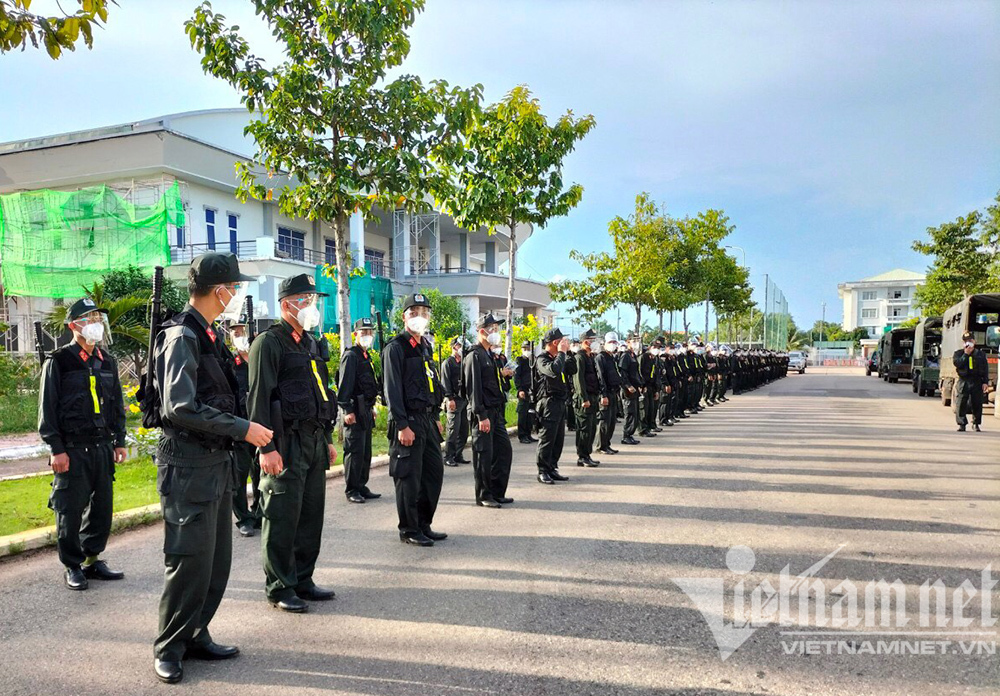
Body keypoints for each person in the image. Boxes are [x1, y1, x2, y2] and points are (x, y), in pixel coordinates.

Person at [151, 252, 273, 684]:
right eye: (234, 288)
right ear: (218, 290)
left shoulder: (207, 334)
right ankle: (169, 645)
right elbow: (179, 406)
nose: (236, 295)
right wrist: (243, 429)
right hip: (188, 464)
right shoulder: (182, 336)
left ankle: (196, 632)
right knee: (188, 560)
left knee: (215, 560)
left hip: (215, 461)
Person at [247, 273, 339, 614]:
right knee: (282, 516)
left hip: (313, 440)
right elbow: (259, 398)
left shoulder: (310, 342)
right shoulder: (269, 342)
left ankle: (303, 579)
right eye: (305, 300)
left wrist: (327, 438)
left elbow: (320, 392)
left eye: (314, 300)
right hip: (284, 443)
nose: (312, 307)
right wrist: (266, 448)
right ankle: (279, 586)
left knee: (310, 515)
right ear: (287, 305)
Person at [38, 297, 128, 591]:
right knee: (69, 509)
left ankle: (92, 560)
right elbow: (48, 410)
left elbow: (116, 404)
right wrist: (56, 449)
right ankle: (72, 565)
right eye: (88, 319)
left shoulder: (107, 361)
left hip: (101, 446)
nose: (95, 325)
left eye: (98, 319)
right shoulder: (60, 361)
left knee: (102, 509)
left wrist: (119, 440)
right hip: (72, 449)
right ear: (73, 325)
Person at [383, 293, 447, 546]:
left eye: (424, 312)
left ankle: (423, 524)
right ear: (404, 316)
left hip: (427, 420)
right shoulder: (395, 348)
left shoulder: (425, 347)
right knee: (408, 478)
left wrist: (435, 415)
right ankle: (409, 529)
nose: (419, 316)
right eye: (414, 312)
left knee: (433, 474)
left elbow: (429, 384)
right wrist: (402, 425)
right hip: (407, 422)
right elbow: (392, 390)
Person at [464, 313, 514, 507]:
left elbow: (494, 384)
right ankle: (484, 495)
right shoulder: (474, 355)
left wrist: (505, 376)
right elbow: (473, 389)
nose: (495, 331)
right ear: (481, 330)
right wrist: (481, 415)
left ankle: (496, 491)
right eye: (491, 328)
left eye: (496, 327)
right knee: (483, 455)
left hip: (496, 412)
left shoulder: (490, 355)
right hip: (482, 414)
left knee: (503, 451)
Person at [338, 318, 381, 503]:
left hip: (365, 409)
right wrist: (347, 410)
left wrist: (371, 407)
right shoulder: (351, 356)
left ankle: (361, 485)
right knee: (354, 452)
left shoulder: (366, 356)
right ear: (355, 334)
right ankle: (352, 489)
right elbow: (344, 386)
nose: (367, 336)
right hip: (354, 410)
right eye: (364, 333)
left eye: (370, 333)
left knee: (365, 452)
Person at [227, 319, 260, 537]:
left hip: (259, 424)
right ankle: (243, 518)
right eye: (235, 332)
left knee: (260, 473)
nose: (239, 334)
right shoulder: (229, 362)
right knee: (238, 477)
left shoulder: (257, 359)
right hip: (238, 427)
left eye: (242, 331)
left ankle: (258, 513)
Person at [534, 328, 576, 484]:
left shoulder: (560, 357)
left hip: (560, 402)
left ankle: (552, 467)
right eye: (562, 342)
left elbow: (573, 369)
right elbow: (554, 371)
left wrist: (568, 353)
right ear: (555, 343)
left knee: (558, 439)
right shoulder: (542, 359)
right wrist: (562, 353)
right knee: (547, 439)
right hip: (548, 403)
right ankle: (543, 470)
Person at [572, 329, 602, 467]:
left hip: (593, 396)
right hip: (584, 399)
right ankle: (582, 456)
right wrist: (584, 398)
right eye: (592, 339)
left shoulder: (590, 356)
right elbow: (579, 380)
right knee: (584, 429)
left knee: (591, 428)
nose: (595, 342)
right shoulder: (580, 357)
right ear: (585, 341)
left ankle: (587, 454)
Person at [441, 337, 470, 466]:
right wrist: (449, 398)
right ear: (454, 347)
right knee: (453, 430)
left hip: (464, 400)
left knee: (464, 430)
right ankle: (448, 456)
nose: (462, 348)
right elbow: (445, 382)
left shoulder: (463, 362)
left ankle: (458, 454)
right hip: (454, 400)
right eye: (459, 346)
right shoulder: (448, 363)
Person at [953, 331, 989, 432]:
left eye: (970, 341)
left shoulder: (980, 354)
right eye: (966, 341)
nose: (968, 343)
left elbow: (985, 369)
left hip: (977, 381)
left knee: (977, 403)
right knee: (961, 403)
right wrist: (966, 354)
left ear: (974, 341)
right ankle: (962, 424)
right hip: (964, 380)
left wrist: (985, 382)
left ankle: (976, 423)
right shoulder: (958, 353)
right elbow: (958, 364)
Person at [595, 332, 622, 455]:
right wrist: (603, 395)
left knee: (611, 421)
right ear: (604, 343)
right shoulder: (600, 357)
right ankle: (601, 446)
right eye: (610, 342)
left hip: (613, 392)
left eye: (614, 342)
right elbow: (600, 377)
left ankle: (607, 444)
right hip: (605, 393)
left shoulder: (612, 357)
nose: (613, 344)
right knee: (604, 421)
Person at [619, 334, 642, 445]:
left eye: (638, 340)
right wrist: (628, 386)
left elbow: (636, 373)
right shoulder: (625, 356)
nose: (636, 342)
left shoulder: (633, 355)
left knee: (635, 413)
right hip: (628, 390)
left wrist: (640, 385)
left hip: (635, 389)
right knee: (630, 412)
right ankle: (626, 435)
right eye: (634, 340)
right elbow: (622, 373)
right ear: (628, 342)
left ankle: (630, 434)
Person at [514, 341, 537, 444]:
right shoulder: (520, 360)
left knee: (530, 414)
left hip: (532, 390)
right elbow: (517, 376)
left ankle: (528, 434)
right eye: (525, 349)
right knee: (522, 414)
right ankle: (522, 435)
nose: (526, 351)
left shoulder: (533, 361)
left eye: (528, 349)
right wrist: (520, 389)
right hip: (523, 390)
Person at [638, 339, 661, 437]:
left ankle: (649, 427)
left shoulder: (654, 359)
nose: (656, 349)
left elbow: (655, 374)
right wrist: (642, 386)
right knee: (644, 409)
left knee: (651, 408)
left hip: (652, 387)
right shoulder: (643, 357)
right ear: (650, 347)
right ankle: (642, 429)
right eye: (654, 347)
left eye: (658, 348)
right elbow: (639, 372)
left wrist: (656, 389)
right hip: (645, 387)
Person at [565, 338, 581, 432]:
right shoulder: (567, 357)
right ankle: (571, 424)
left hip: (575, 384)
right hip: (569, 384)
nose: (576, 346)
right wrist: (570, 386)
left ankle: (574, 423)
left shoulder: (576, 356)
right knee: (569, 405)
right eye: (573, 344)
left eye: (577, 344)